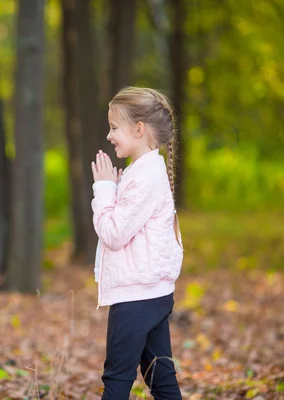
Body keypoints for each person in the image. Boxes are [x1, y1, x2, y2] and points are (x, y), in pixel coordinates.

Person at [91, 87, 184, 399]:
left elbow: (115, 233)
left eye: (114, 127)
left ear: (139, 129)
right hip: (150, 292)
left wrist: (103, 189)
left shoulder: (145, 177)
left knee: (117, 378)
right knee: (161, 377)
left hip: (136, 297)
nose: (109, 134)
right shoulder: (144, 172)